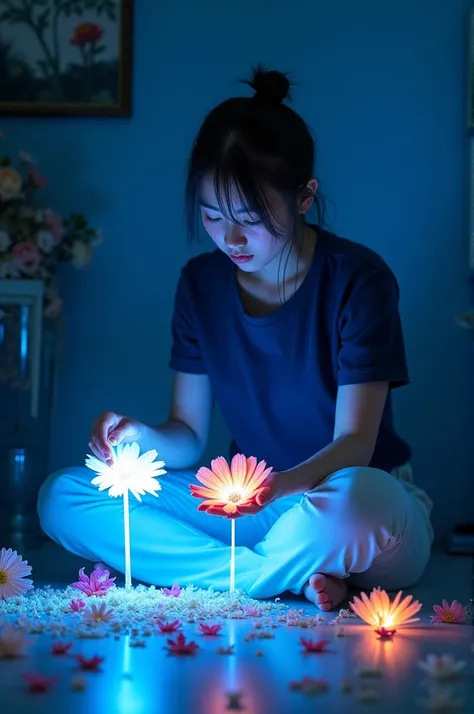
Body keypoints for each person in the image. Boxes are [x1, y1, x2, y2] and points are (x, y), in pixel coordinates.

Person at [37, 66, 434, 611]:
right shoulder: (201, 284)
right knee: (64, 496)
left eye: (249, 217)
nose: (232, 238)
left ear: (303, 197)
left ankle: (258, 570)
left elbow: (355, 446)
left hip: (344, 499)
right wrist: (136, 436)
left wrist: (282, 487)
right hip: (245, 505)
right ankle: (274, 576)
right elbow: (186, 435)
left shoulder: (358, 280)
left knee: (357, 504)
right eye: (213, 216)